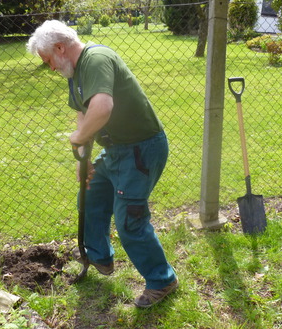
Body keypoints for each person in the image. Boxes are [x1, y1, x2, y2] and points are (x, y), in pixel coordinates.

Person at [26, 20, 178, 308]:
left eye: (48, 61)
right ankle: (98, 256)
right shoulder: (75, 72)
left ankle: (162, 279)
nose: (50, 68)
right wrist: (82, 160)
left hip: (141, 150)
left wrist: (78, 138)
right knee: (91, 192)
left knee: (129, 220)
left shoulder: (96, 59)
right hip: (118, 150)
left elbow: (102, 108)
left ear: (60, 48)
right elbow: (85, 117)